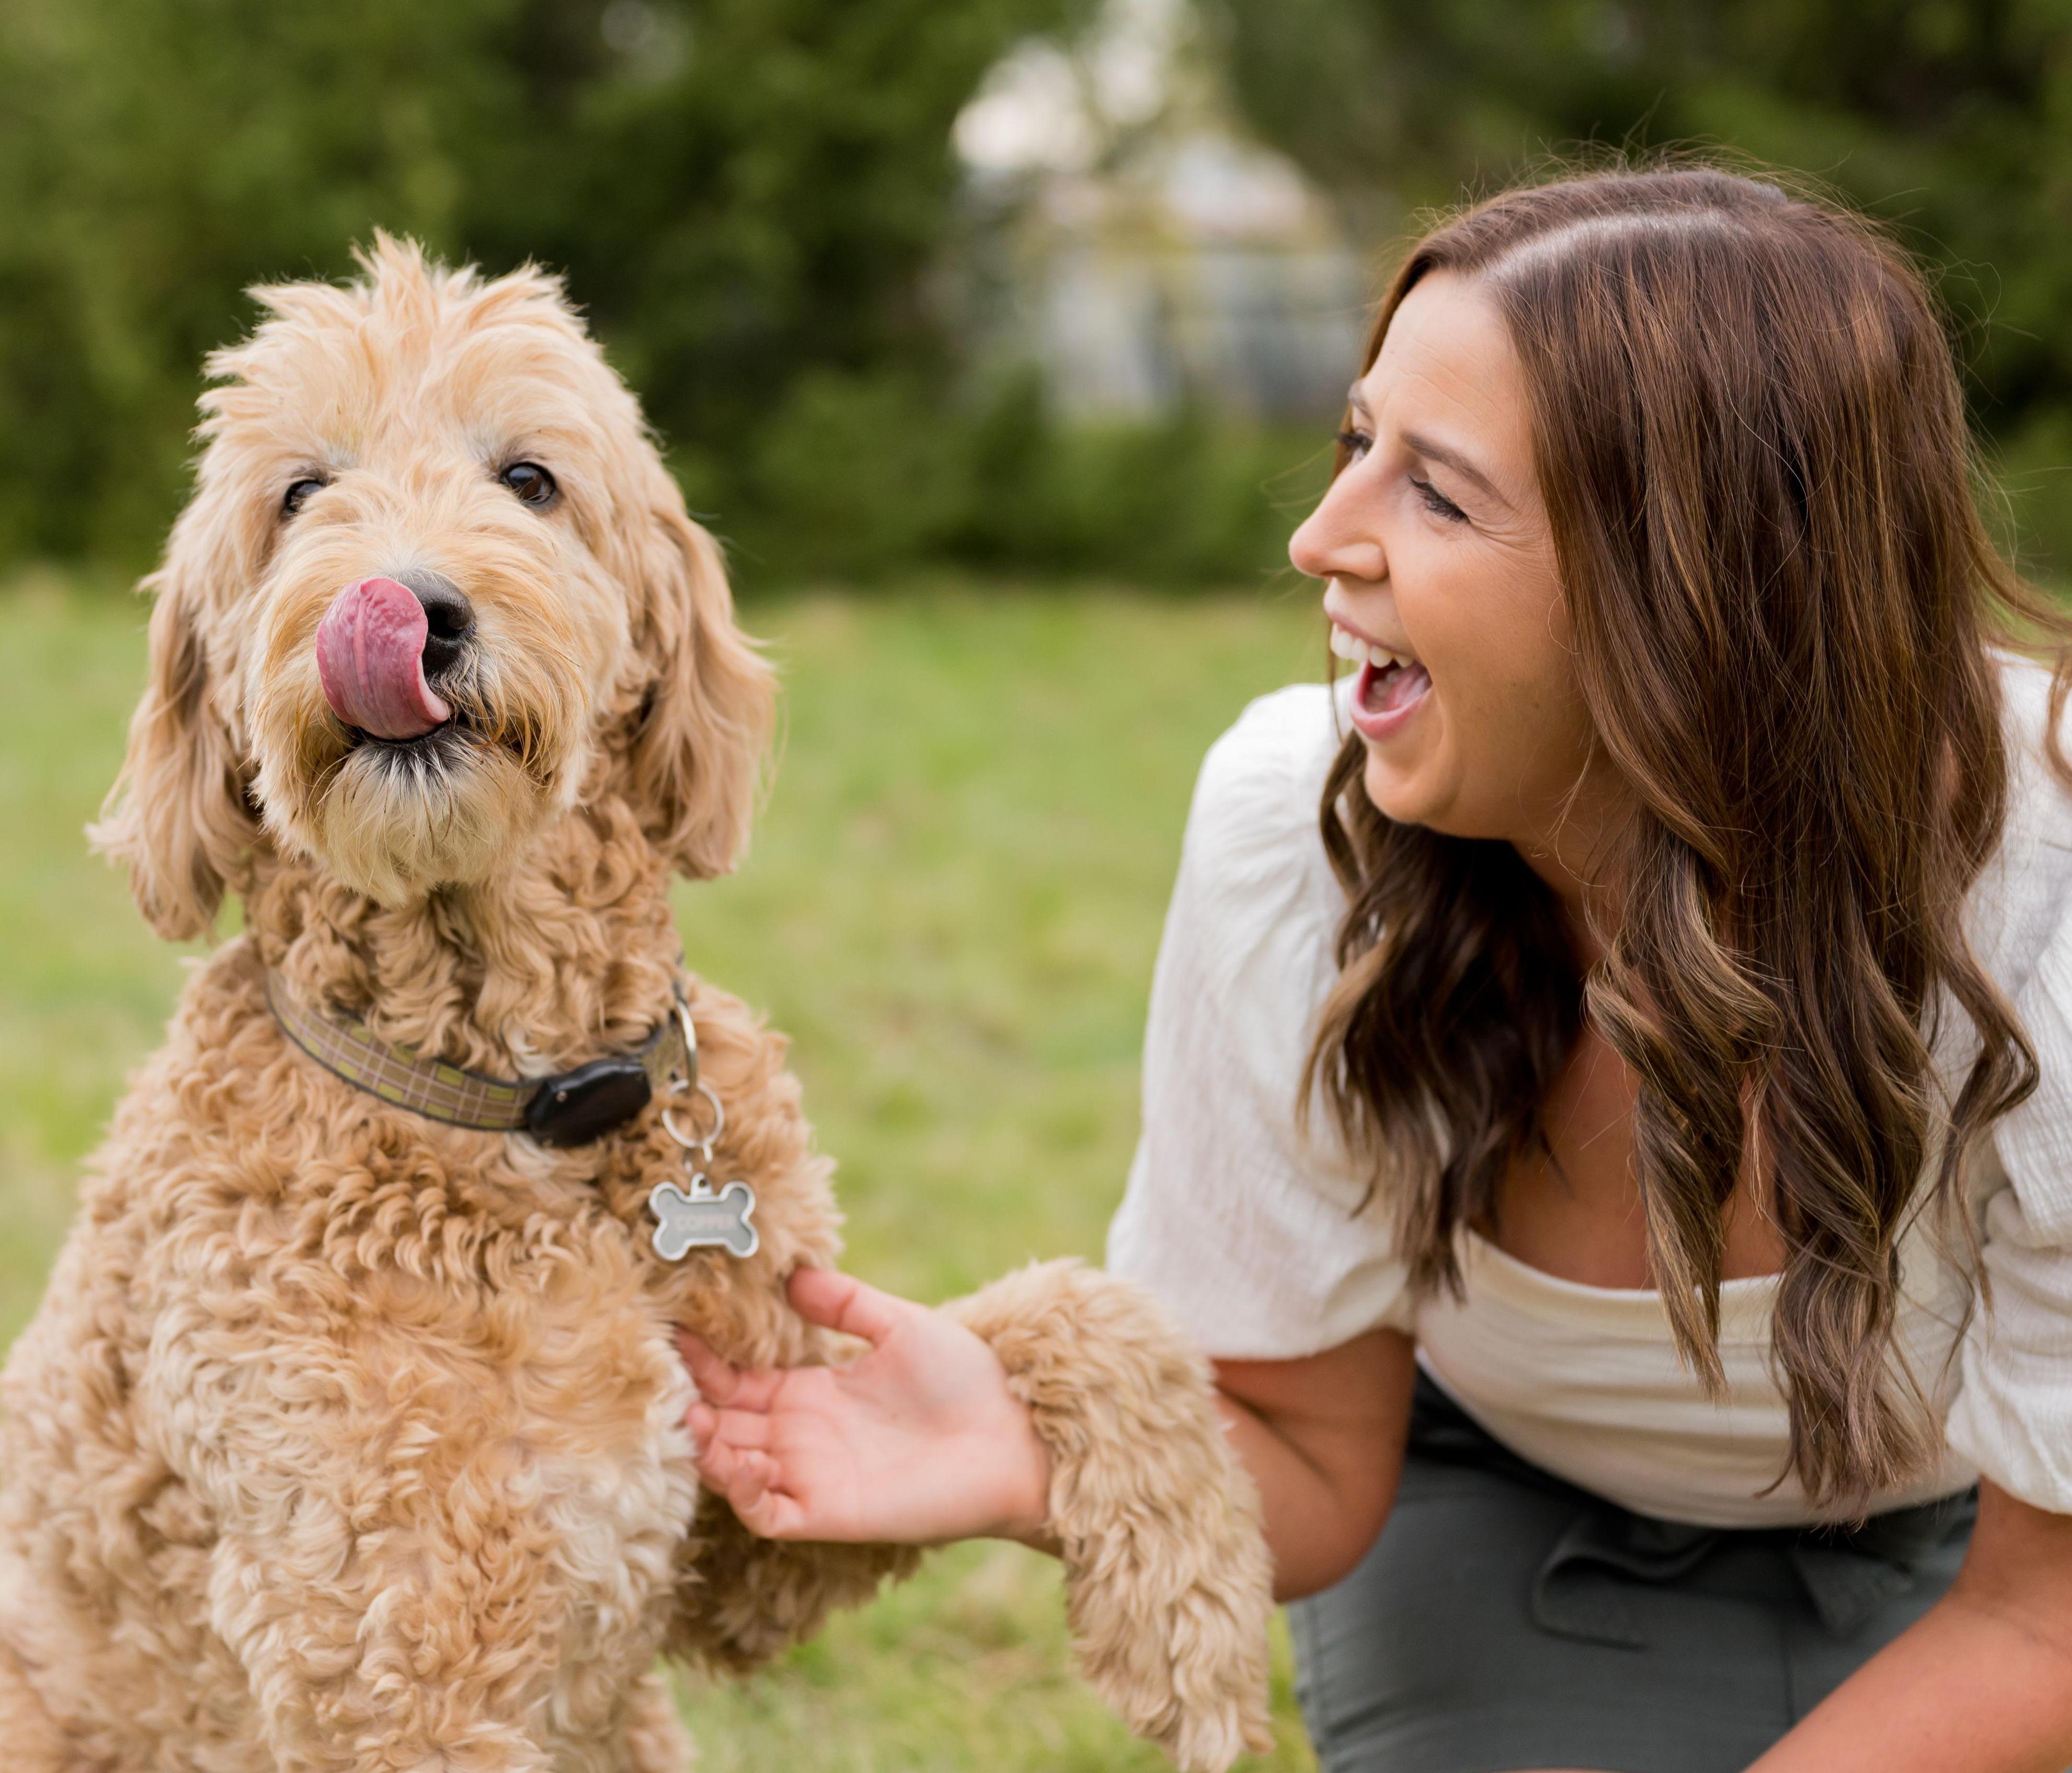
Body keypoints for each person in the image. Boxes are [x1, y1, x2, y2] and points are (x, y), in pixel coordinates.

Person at [678, 164, 2072, 1773]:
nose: (1316, 535)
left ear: (1691, 588)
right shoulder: (1300, 827)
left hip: (1995, 1539)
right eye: (1358, 444)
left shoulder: (2041, 901)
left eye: (1437, 490)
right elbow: (1310, 1460)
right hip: (1500, 1508)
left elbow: (2042, 1616)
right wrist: (1031, 1458)